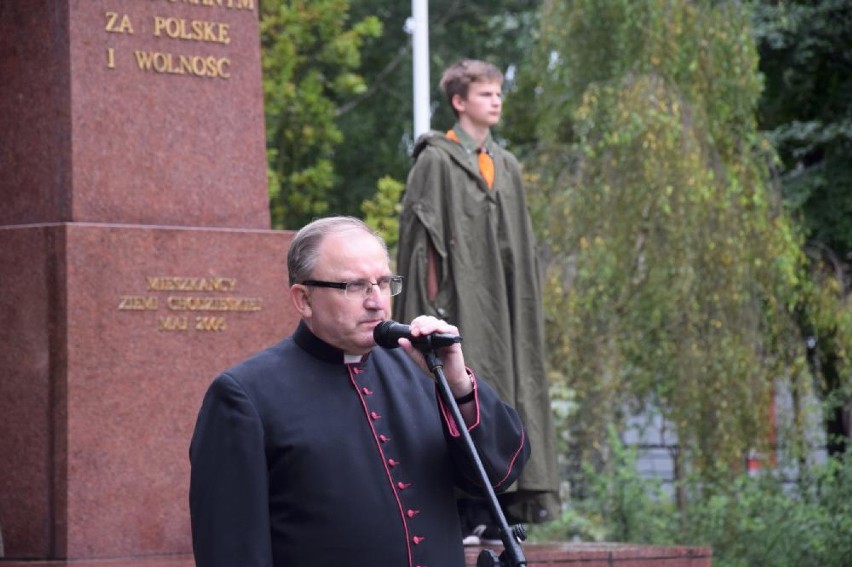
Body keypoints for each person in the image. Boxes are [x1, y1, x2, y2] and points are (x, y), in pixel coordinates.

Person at [189, 216, 530, 567]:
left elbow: (499, 472)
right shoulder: (245, 397)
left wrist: (458, 383)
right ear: (303, 299)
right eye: (354, 286)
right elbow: (231, 552)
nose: (376, 301)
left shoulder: (422, 369)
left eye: (383, 283)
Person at [395, 59, 560, 543]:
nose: (496, 101)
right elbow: (420, 242)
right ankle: (466, 510)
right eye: (485, 93)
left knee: (509, 389)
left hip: (506, 310)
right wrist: (428, 309)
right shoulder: (435, 160)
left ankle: (502, 504)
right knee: (462, 390)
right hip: (458, 302)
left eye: (499, 93)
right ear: (459, 101)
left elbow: (521, 247)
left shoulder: (505, 165)